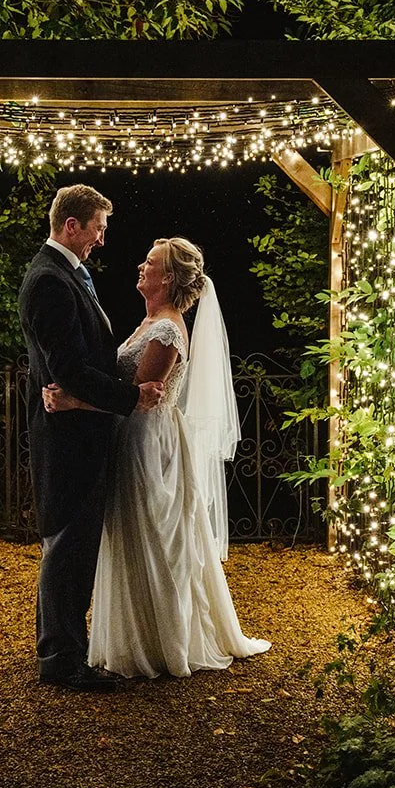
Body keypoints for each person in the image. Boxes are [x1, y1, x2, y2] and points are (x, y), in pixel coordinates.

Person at [45, 237, 270, 679]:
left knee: (153, 536)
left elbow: (142, 399)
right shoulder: (150, 321)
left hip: (150, 443)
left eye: (150, 263)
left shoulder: (167, 329)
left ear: (167, 277)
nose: (140, 267)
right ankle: (134, 635)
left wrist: (72, 402)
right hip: (133, 437)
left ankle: (160, 642)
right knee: (134, 533)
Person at [18, 185, 164, 692]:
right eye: (98, 230)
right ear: (72, 226)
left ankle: (63, 651)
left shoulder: (63, 276)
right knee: (68, 546)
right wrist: (131, 396)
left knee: (71, 546)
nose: (101, 242)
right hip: (69, 438)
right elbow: (71, 370)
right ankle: (61, 660)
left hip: (78, 430)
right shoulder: (50, 283)